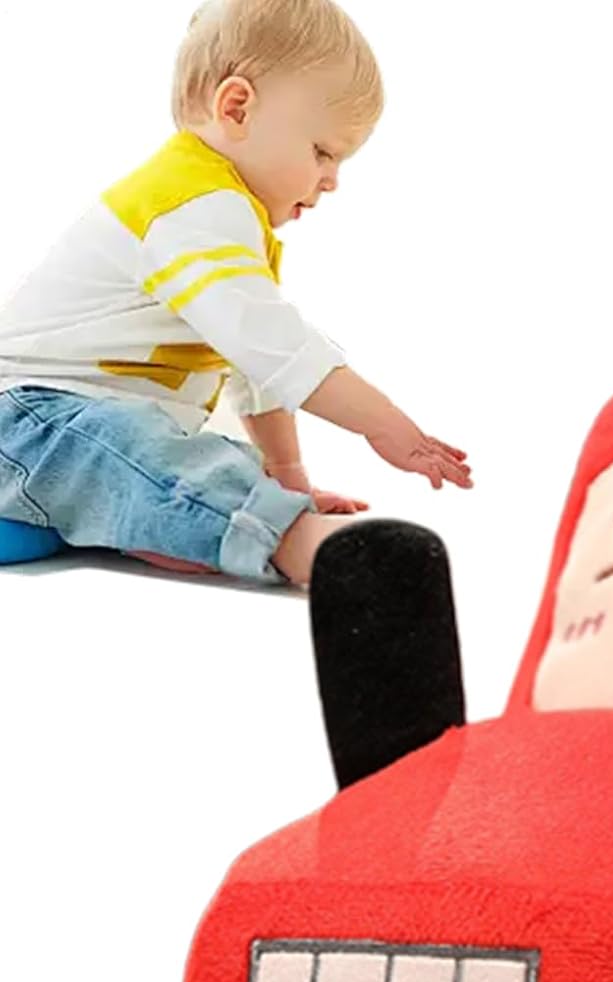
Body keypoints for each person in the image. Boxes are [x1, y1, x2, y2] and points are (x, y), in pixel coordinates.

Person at [0, 0, 471, 587]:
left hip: (52, 438)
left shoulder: (225, 218)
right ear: (237, 108)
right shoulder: (189, 205)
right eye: (322, 152)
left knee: (190, 455)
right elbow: (275, 347)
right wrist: (382, 422)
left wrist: (287, 478)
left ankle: (174, 523)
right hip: (26, 419)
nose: (331, 180)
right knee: (126, 448)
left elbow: (253, 367)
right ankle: (299, 544)